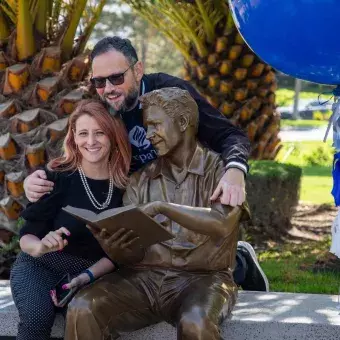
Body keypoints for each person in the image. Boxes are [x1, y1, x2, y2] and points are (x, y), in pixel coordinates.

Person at [23, 36, 268, 291]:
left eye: (117, 78)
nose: (108, 88)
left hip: (186, 186)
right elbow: (77, 147)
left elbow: (230, 135)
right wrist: (38, 176)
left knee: (192, 255)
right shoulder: (103, 102)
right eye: (99, 81)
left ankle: (239, 263)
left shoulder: (170, 93)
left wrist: (235, 171)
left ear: (137, 70)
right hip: (138, 195)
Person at [65, 87, 248, 340]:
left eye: (155, 126)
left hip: (203, 279)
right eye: (146, 127)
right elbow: (131, 255)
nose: (148, 135)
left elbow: (222, 224)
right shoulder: (140, 179)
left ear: (182, 122)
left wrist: (163, 207)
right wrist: (114, 246)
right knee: (83, 306)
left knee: (196, 322)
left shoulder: (221, 172)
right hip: (143, 279)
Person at [10, 100, 135, 340]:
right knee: (37, 318)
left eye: (99, 133)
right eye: (83, 133)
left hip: (93, 274)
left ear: (113, 136)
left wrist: (85, 277)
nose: (91, 141)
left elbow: (116, 254)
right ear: (74, 138)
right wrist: (41, 246)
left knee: (86, 321)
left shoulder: (127, 186)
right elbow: (27, 236)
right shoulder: (56, 177)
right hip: (40, 266)